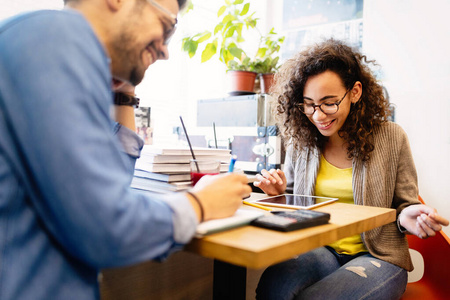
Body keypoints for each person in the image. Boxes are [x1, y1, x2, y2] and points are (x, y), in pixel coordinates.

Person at [0, 0, 252, 299]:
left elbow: (111, 185)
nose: (165, 50)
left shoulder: (47, 43)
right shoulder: (54, 39)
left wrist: (125, 95)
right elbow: (105, 227)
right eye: (166, 26)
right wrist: (200, 204)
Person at [253, 38, 449, 300]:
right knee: (273, 288)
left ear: (355, 92)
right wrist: (278, 193)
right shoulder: (302, 141)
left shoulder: (391, 137)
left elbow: (404, 206)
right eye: (309, 104)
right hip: (321, 249)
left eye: (329, 102)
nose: (318, 115)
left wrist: (408, 216)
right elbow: (294, 205)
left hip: (378, 256)